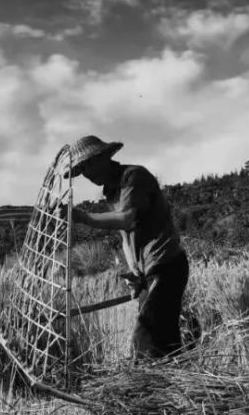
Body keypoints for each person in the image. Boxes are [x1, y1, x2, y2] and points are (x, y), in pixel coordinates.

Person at [62, 135, 189, 360]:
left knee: (145, 337)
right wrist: (135, 270)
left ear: (104, 157)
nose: (87, 174)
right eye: (81, 170)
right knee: (164, 338)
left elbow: (126, 219)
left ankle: (152, 387)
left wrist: (82, 216)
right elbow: (125, 234)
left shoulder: (133, 176)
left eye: (89, 164)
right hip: (149, 269)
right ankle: (172, 387)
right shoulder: (112, 191)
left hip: (166, 263)